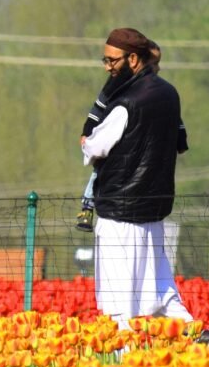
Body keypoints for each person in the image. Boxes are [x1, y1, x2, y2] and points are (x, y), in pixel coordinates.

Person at [80, 27, 209, 346]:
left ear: (132, 59)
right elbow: (180, 143)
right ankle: (199, 338)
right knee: (160, 290)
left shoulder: (124, 103)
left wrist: (86, 140)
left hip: (119, 215)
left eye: (112, 60)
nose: (107, 67)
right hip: (153, 214)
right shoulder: (169, 94)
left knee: (119, 304)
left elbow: (95, 147)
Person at [75, 40, 189, 232]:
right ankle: (87, 205)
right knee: (99, 171)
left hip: (139, 191)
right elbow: (98, 107)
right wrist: (87, 131)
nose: (157, 68)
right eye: (154, 64)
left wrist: (181, 138)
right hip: (107, 137)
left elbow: (176, 120)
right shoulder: (118, 88)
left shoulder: (157, 94)